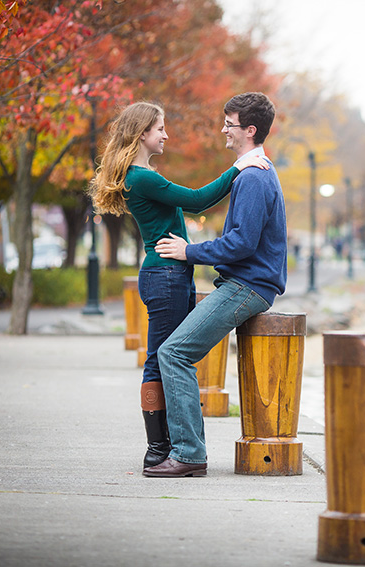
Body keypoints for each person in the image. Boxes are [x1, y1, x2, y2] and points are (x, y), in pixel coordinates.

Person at [88, 101, 269, 472]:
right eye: (160, 129)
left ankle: (166, 446)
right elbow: (197, 200)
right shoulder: (143, 177)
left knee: (165, 357)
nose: (166, 135)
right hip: (165, 275)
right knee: (163, 358)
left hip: (169, 274)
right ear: (142, 134)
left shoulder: (141, 175)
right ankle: (160, 448)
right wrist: (239, 166)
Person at [143, 92, 287, 478]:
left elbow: (242, 243)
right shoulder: (251, 172)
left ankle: (189, 454)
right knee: (174, 352)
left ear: (249, 130)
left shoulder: (255, 177)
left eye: (230, 123)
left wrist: (189, 251)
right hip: (244, 283)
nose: (223, 128)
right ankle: (187, 450)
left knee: (172, 354)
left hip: (248, 286)